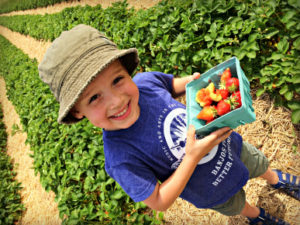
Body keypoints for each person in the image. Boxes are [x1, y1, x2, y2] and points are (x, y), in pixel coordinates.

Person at [38, 24, 299, 225]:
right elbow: (160, 202)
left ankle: (274, 179)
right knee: (235, 204)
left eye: (117, 80)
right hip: (209, 189)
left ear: (126, 71)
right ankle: (256, 215)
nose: (117, 100)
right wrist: (192, 157)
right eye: (94, 98)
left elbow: (171, 84)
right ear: (77, 112)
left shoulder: (145, 82)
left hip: (228, 146)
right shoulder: (120, 157)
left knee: (256, 162)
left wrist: (194, 81)